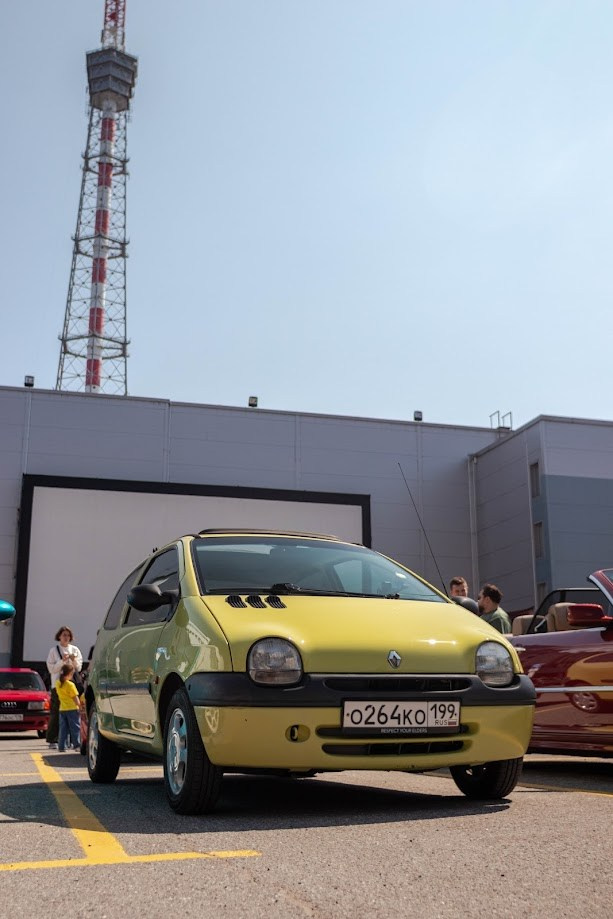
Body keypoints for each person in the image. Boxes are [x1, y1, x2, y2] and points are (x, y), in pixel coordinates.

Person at [45, 626, 83, 750]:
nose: (66, 637)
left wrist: (73, 660)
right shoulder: (53, 651)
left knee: (73, 715)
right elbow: (52, 669)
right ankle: (53, 740)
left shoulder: (75, 649)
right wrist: (62, 661)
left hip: (72, 686)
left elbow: (78, 668)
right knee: (56, 713)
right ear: (59, 636)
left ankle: (74, 741)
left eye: (68, 635)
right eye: (63, 635)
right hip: (58, 686)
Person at [56, 662, 81, 752]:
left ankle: (62, 746)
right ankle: (77, 745)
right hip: (72, 709)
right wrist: (80, 706)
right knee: (75, 728)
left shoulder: (58, 683)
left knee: (63, 729)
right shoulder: (70, 685)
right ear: (69, 674)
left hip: (62, 709)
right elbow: (75, 697)